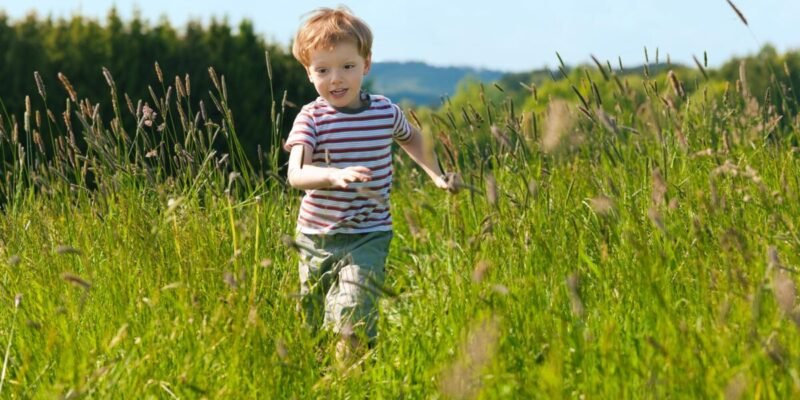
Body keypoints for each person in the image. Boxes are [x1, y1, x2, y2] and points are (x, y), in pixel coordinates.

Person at [284, 6, 458, 364]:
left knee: (352, 313)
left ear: (366, 64)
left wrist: (437, 175)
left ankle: (349, 377)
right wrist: (333, 175)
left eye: (347, 67)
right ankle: (322, 378)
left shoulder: (384, 111)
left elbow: (413, 140)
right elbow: (296, 174)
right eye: (323, 70)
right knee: (314, 322)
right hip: (316, 236)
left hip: (369, 234)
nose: (336, 79)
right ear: (309, 73)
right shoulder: (311, 117)